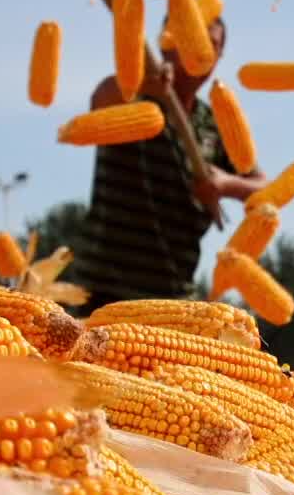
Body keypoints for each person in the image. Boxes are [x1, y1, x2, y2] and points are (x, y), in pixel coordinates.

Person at [68, 16, 266, 306]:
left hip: (173, 298)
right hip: (102, 292)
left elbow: (265, 188)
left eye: (212, 47)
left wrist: (226, 185)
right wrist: (139, 81)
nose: (201, 55)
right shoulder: (133, 98)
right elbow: (99, 103)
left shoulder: (215, 123)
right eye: (191, 40)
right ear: (166, 43)